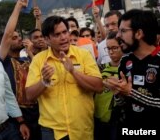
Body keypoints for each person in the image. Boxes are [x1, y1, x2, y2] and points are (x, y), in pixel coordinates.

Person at [25, 16, 103, 140]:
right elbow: (29, 95)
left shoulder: (83, 55)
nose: (63, 38)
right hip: (52, 132)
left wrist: (73, 71)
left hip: (81, 129)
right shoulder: (39, 60)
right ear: (47, 39)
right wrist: (44, 81)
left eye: (65, 32)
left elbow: (99, 86)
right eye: (57, 34)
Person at [105, 9, 160, 139]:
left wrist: (130, 93)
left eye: (123, 31)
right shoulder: (125, 61)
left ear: (139, 33)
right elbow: (121, 104)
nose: (117, 36)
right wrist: (117, 92)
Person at [0, 0, 40, 140]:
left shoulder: (27, 59)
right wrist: (18, 7)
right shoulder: (2, 62)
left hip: (38, 113)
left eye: (19, 36)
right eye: (14, 38)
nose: (19, 39)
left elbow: (41, 73)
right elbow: (8, 34)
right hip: (17, 118)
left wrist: (31, 53)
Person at [94, 31, 123, 140]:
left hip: (117, 120)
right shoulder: (100, 68)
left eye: (114, 48)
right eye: (108, 48)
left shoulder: (127, 69)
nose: (110, 52)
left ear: (122, 46)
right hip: (98, 117)